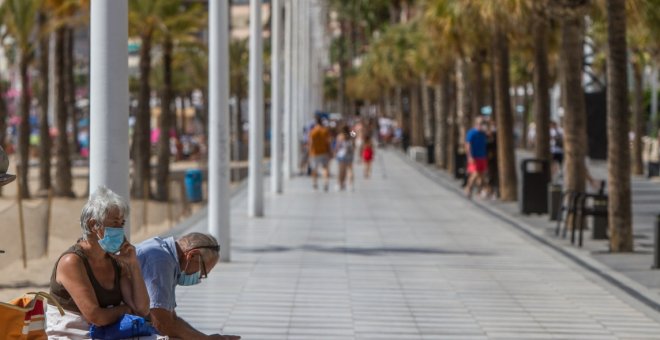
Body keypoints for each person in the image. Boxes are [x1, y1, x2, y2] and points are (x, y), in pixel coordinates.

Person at [47, 186, 151, 339]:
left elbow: (142, 309)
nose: (120, 230)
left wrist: (133, 265)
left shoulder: (116, 261)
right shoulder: (72, 262)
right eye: (115, 223)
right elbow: (96, 317)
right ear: (93, 225)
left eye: (121, 224)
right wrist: (126, 310)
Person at [136, 233, 240, 339]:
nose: (199, 278)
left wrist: (205, 337)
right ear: (192, 255)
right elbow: (162, 324)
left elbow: (172, 318)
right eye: (202, 272)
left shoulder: (168, 256)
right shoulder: (161, 261)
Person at [464, 116, 488, 198]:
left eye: (483, 123)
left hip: (482, 156)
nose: (482, 125)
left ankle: (480, 191)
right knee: (475, 173)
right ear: (476, 124)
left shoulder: (483, 133)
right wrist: (470, 156)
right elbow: (468, 145)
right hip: (474, 157)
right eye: (480, 123)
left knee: (481, 175)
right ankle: (468, 188)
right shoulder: (471, 133)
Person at [308, 116, 332, 191]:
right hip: (324, 152)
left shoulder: (313, 131)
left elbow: (311, 142)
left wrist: (309, 151)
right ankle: (325, 182)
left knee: (314, 169)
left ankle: (314, 183)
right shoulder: (325, 131)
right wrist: (330, 151)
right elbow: (328, 142)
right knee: (325, 168)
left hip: (314, 152)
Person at [334, 125, 355, 191]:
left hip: (341, 155)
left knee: (341, 170)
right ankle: (350, 185)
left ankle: (340, 184)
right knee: (350, 170)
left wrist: (335, 152)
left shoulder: (340, 136)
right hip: (349, 155)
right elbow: (355, 135)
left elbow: (337, 146)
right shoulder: (351, 134)